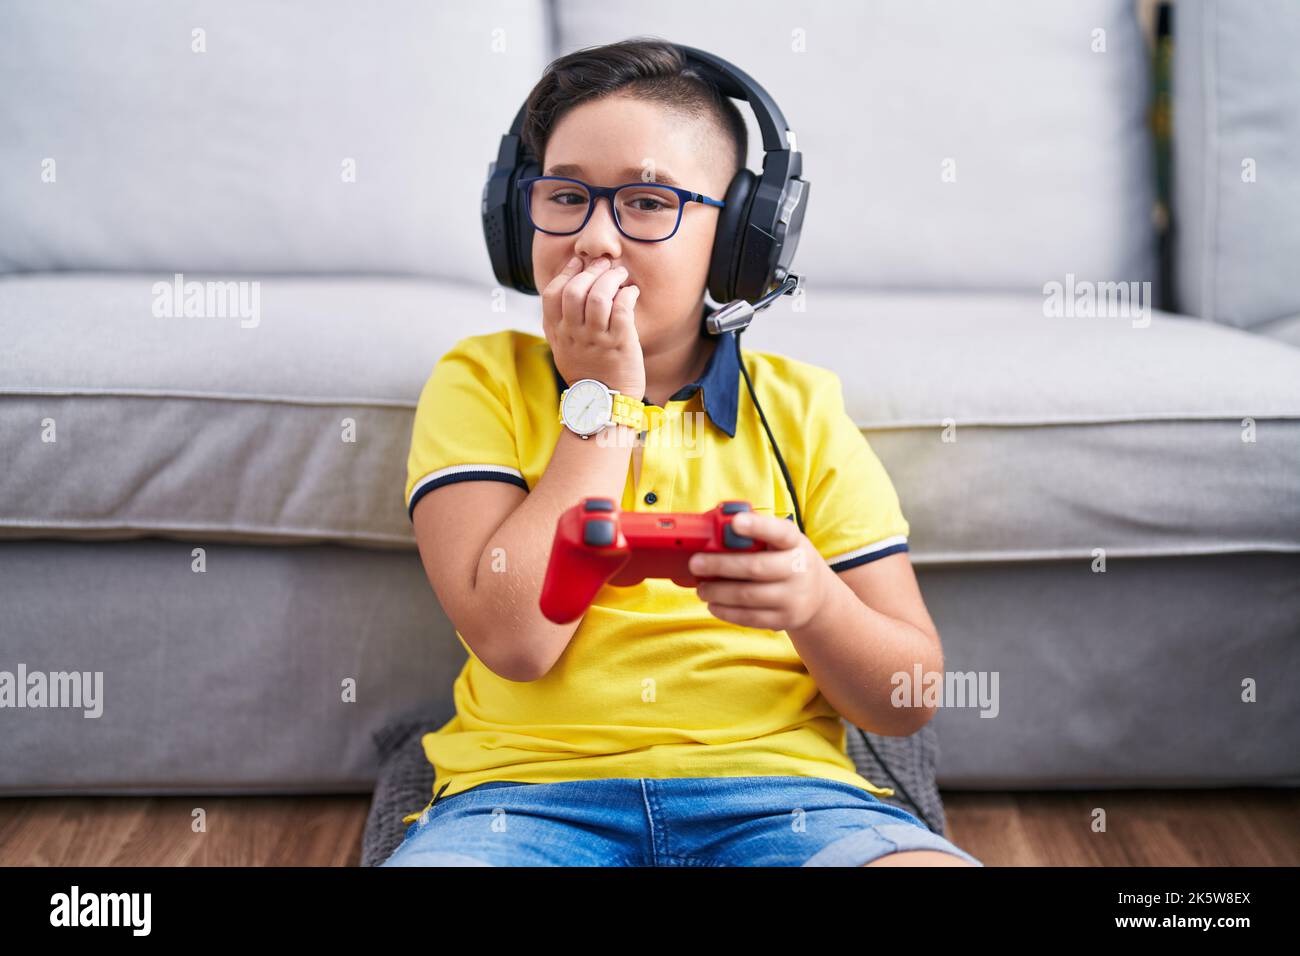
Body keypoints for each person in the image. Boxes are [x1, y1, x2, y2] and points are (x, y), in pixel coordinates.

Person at [382, 38, 982, 867]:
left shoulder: (800, 406)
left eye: (647, 203)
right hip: (523, 803)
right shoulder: (479, 380)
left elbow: (906, 699)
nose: (594, 238)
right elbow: (518, 642)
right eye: (566, 197)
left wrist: (815, 602)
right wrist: (603, 406)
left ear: (739, 238)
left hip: (790, 799)